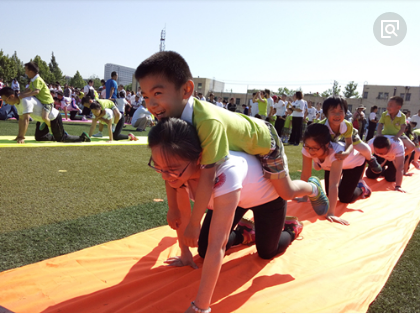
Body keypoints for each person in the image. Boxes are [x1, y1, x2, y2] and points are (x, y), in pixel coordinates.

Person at [135, 50, 329, 249]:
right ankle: (245, 229)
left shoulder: (206, 122)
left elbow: (208, 176)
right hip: (240, 146)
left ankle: (313, 187)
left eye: (157, 93)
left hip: (264, 142)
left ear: (186, 90)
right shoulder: (169, 121)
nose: (151, 104)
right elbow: (169, 169)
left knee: (287, 191)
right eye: (146, 96)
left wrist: (195, 223)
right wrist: (173, 208)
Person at [148, 118, 303, 313]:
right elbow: (184, 217)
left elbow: (218, 245)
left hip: (267, 199)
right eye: (158, 167)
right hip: (232, 200)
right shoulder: (176, 173)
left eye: (171, 169)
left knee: (266, 252)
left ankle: (291, 228)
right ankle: (245, 231)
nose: (164, 175)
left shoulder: (225, 174)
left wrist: (200, 307)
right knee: (203, 251)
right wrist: (185, 253)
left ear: (198, 158)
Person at [299, 123, 370, 225]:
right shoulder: (307, 150)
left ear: (327, 144)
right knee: (329, 194)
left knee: (345, 198)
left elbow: (334, 184)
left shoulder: (337, 153)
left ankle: (362, 187)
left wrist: (331, 213)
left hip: (354, 165)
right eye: (307, 146)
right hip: (330, 166)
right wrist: (303, 197)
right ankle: (347, 184)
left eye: (315, 148)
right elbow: (305, 174)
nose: (310, 151)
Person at [0, 87, 90, 143]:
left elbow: (26, 120)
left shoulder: (25, 101)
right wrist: (18, 136)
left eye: (5, 100)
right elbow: (21, 119)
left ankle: (83, 137)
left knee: (62, 139)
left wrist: (21, 137)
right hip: (42, 119)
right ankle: (56, 133)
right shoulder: (17, 102)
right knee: (40, 137)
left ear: (11, 96)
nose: (5, 102)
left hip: (53, 117)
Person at [318, 96, 382, 174]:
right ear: (325, 113)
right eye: (333, 111)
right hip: (334, 138)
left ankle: (371, 159)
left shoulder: (347, 125)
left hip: (350, 135)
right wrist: (317, 160)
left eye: (341, 111)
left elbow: (349, 143)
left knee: (365, 149)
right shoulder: (321, 127)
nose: (337, 115)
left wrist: (347, 153)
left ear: (345, 113)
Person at [376, 96, 415, 175]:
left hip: (398, 135)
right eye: (388, 105)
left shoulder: (402, 116)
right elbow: (380, 125)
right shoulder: (384, 114)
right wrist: (379, 134)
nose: (388, 107)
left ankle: (396, 156)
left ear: (398, 107)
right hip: (385, 134)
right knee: (374, 143)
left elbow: (403, 128)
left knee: (412, 146)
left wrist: (397, 136)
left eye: (390, 105)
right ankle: (384, 158)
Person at [18, 62, 54, 131]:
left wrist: (24, 95)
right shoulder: (33, 80)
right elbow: (29, 89)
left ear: (31, 72)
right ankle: (46, 124)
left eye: (26, 71)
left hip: (47, 102)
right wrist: (20, 94)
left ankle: (52, 129)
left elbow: (36, 91)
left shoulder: (38, 80)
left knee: (44, 118)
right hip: (41, 101)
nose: (25, 73)